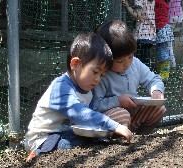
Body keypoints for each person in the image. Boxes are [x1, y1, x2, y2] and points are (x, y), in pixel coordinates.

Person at [24, 33, 132, 161]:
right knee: (69, 144)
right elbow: (81, 114)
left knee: (95, 139)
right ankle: (37, 154)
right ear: (75, 64)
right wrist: (114, 126)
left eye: (102, 75)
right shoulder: (61, 88)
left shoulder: (88, 90)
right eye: (95, 72)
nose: (98, 79)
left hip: (66, 134)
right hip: (42, 138)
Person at [94, 20, 166, 135]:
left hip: (133, 116)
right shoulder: (102, 74)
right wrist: (118, 101)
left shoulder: (135, 64)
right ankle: (114, 141)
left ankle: (140, 138)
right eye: (119, 61)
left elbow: (153, 79)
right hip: (111, 121)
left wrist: (156, 90)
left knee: (159, 109)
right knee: (123, 116)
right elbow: (95, 105)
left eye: (130, 56)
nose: (126, 64)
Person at [122, 0, 156, 68]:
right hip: (150, 34)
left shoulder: (139, 0)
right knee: (146, 58)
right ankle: (146, 75)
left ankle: (143, 76)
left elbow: (138, 16)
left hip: (141, 34)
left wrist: (128, 7)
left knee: (139, 60)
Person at [155, 0, 174, 79]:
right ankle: (165, 73)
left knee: (162, 52)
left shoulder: (159, 1)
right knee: (163, 51)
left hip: (161, 28)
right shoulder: (164, 2)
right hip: (165, 28)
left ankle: (165, 73)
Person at [168, 0, 183, 68]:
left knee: (168, 43)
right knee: (169, 41)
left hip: (171, 16)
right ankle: (172, 63)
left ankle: (172, 64)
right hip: (178, 14)